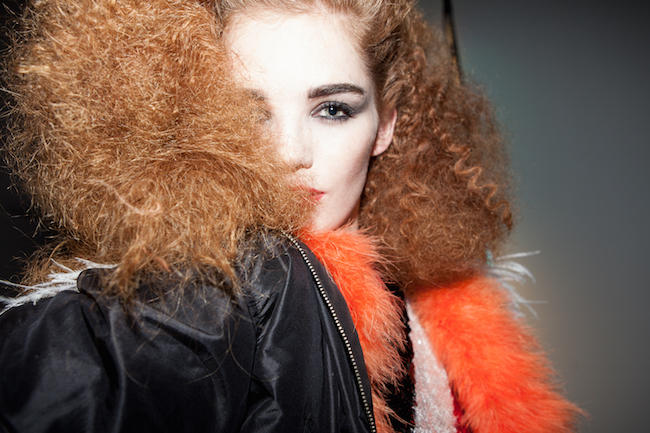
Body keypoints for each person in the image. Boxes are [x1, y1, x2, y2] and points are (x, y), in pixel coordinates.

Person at [0, 1, 581, 433]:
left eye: (333, 109)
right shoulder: (227, 288)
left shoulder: (441, 298)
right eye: (247, 113)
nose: (289, 153)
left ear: (385, 125)